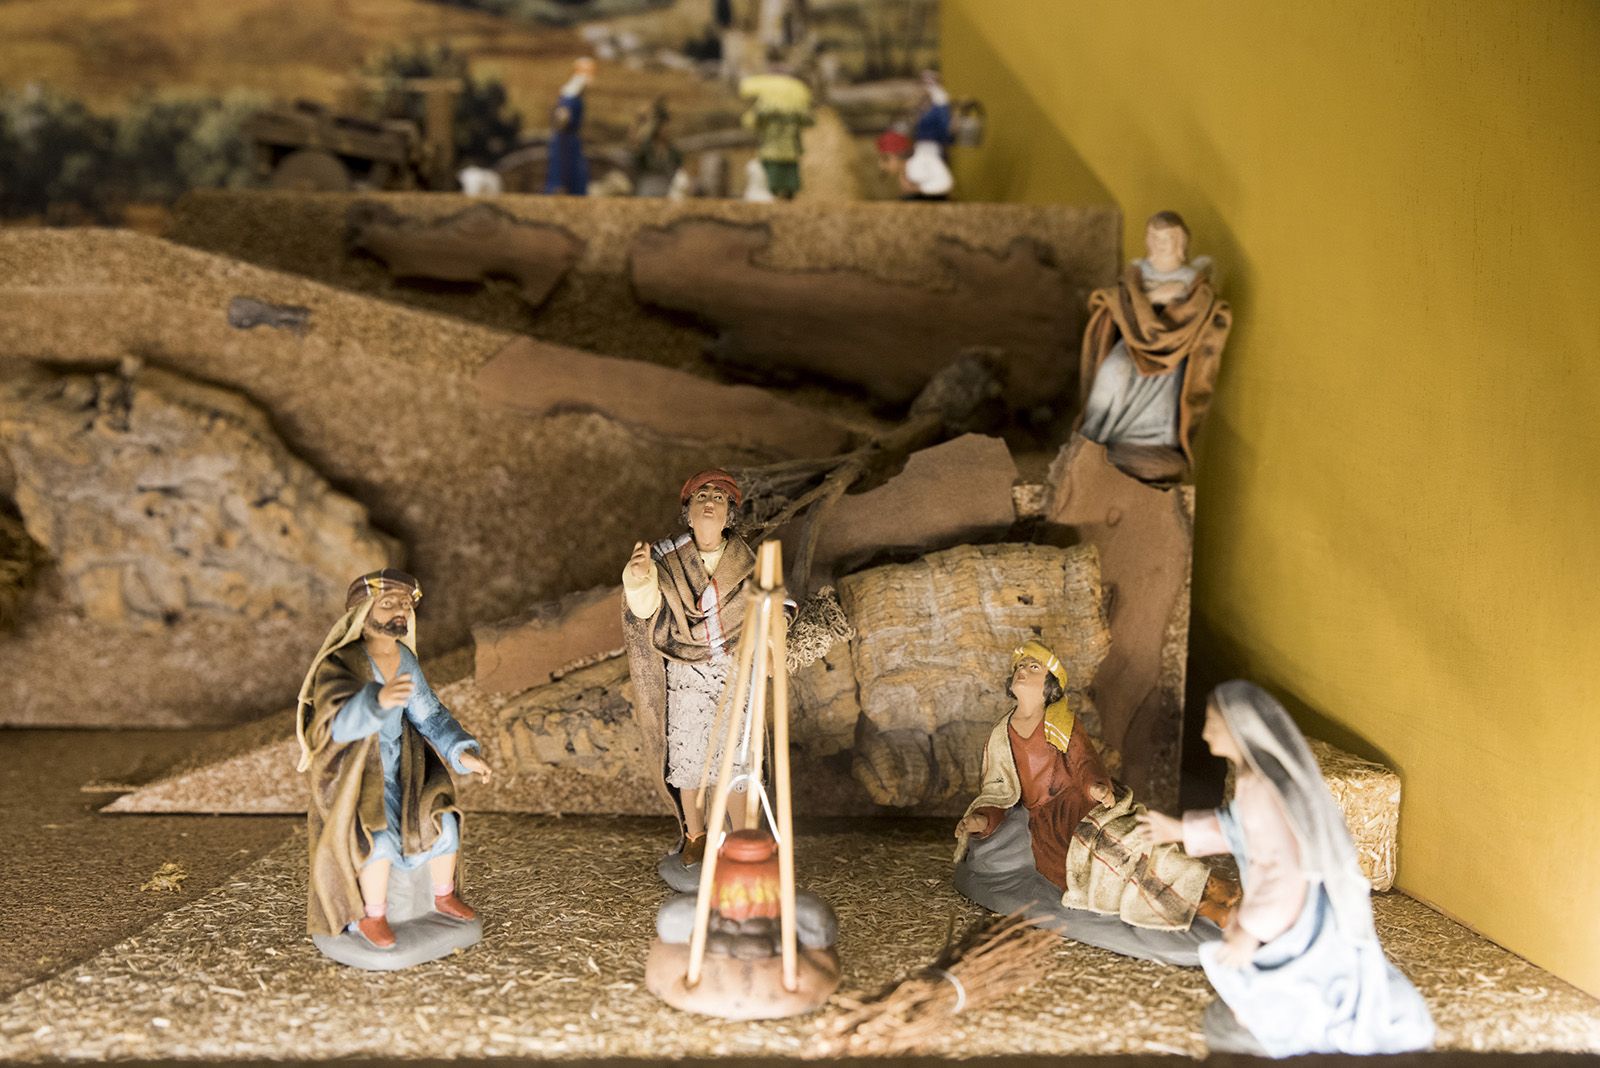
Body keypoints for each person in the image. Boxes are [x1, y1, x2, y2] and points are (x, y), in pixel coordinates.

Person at [1140, 682, 1435, 1056]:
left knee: (1292, 968)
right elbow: (1237, 828)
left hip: (1293, 911)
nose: (1204, 732)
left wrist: (1250, 929)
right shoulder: (1254, 783)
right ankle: (1261, 1015)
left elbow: (1285, 874)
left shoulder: (1266, 791)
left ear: (1238, 728)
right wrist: (1179, 830)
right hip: (1276, 905)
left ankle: (1279, 1024)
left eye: (1212, 723)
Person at [952, 640, 1235, 965]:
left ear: (1049, 685)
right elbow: (999, 789)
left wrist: (1097, 787)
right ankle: (1198, 905)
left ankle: (1204, 884)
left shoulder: (1062, 723)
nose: (1022, 672)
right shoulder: (1001, 735)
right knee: (1108, 862)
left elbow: (1085, 763)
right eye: (1020, 666)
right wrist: (980, 820)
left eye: (1033, 667)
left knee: (1133, 839)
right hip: (1050, 824)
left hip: (1081, 802)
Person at [295, 569, 492, 951]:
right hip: (356, 776)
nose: (399, 611)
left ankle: (443, 894)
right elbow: (332, 725)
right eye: (388, 604)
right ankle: (372, 915)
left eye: (404, 604)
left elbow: (429, 714)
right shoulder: (342, 662)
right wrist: (375, 701)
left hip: (403, 769)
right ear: (361, 612)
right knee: (376, 841)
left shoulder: (403, 659)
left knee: (441, 821)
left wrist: (460, 752)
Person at [622, 471, 759, 884]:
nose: (710, 502)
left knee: (735, 752)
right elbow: (646, 612)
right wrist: (640, 577)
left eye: (719, 497)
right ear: (688, 511)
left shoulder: (747, 561)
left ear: (729, 516)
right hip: (684, 668)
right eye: (702, 495)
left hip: (733, 667)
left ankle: (743, 836)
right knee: (689, 754)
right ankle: (696, 835)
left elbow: (771, 599)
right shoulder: (666, 560)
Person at [1077, 210, 1231, 480]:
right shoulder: (1137, 272)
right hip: (1134, 343)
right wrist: (1152, 296)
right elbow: (1121, 299)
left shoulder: (1193, 281)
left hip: (1174, 352)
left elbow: (1202, 311)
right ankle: (1093, 434)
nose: (1160, 244)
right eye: (1155, 237)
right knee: (1114, 370)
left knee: (1167, 389)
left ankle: (1149, 440)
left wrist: (1175, 300)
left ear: (1180, 243)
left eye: (1167, 238)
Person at [739, 64, 813, 200]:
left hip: (771, 151)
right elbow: (809, 121)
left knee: (771, 181)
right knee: (786, 181)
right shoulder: (795, 108)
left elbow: (752, 122)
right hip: (789, 151)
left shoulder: (766, 111)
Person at [546, 58, 595, 195]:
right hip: (566, 141)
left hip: (569, 139)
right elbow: (562, 120)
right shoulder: (571, 95)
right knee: (566, 173)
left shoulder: (572, 94)